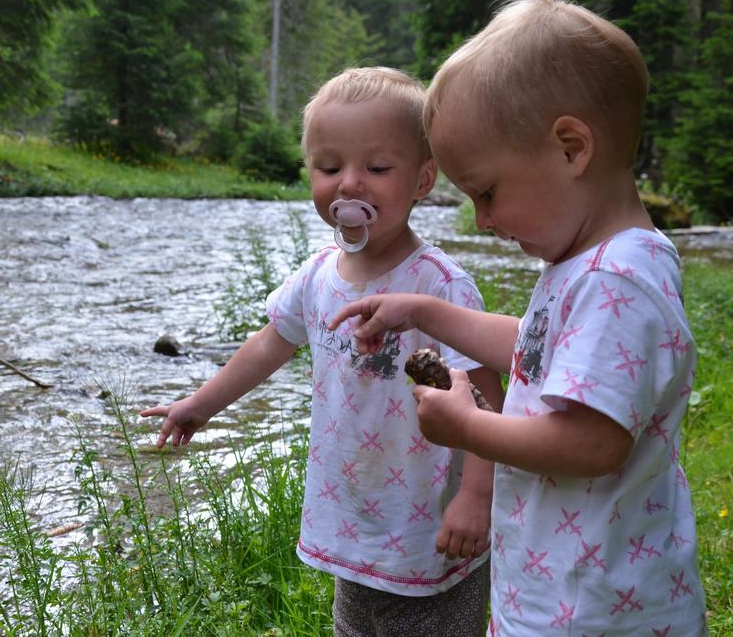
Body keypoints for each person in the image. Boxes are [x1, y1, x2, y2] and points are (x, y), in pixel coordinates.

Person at [327, 0, 707, 636]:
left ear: (570, 148)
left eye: (487, 191)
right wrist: (424, 310)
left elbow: (594, 442)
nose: (482, 219)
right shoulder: (585, 263)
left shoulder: (619, 275)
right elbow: (537, 350)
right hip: (559, 586)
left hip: (597, 609)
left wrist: (471, 427)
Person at [140, 66, 505, 636]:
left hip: (430, 526)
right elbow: (269, 344)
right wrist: (200, 405)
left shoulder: (440, 285)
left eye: (377, 168)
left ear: (422, 179)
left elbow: (486, 392)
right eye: (329, 167)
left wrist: (477, 496)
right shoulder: (315, 277)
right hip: (351, 518)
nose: (349, 184)